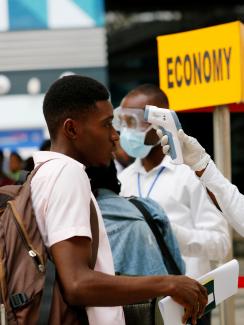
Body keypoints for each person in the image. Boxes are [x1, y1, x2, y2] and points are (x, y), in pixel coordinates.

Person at [30, 75, 207, 325]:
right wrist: (167, 283)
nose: (115, 136)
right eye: (107, 125)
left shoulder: (41, 173)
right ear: (71, 129)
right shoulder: (68, 174)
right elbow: (77, 283)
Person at [116, 84, 230, 325]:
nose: (125, 131)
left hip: (187, 308)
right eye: (122, 122)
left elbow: (221, 244)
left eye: (133, 122)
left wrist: (173, 235)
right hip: (141, 308)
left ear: (160, 124)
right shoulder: (122, 181)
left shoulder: (190, 175)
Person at [86, 159, 185, 276]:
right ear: (113, 173)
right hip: (163, 291)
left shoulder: (81, 221)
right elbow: (178, 268)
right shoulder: (149, 207)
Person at [158, 128, 244, 237]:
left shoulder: (186, 176)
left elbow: (219, 242)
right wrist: (201, 163)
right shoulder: (128, 176)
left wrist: (172, 233)